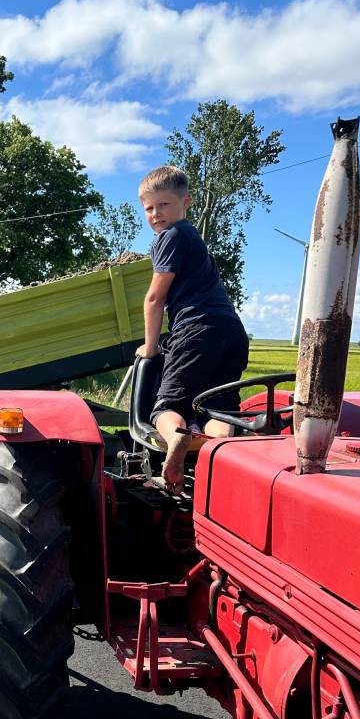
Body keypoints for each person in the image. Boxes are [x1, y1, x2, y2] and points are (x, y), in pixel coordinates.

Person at [136, 165, 249, 492]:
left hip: (195, 330)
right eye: (149, 208)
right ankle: (217, 462)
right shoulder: (193, 238)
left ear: (185, 202)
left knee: (166, 408)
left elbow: (155, 297)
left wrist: (150, 347)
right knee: (219, 409)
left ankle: (176, 438)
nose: (156, 214)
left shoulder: (170, 237)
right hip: (232, 332)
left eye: (164, 205)